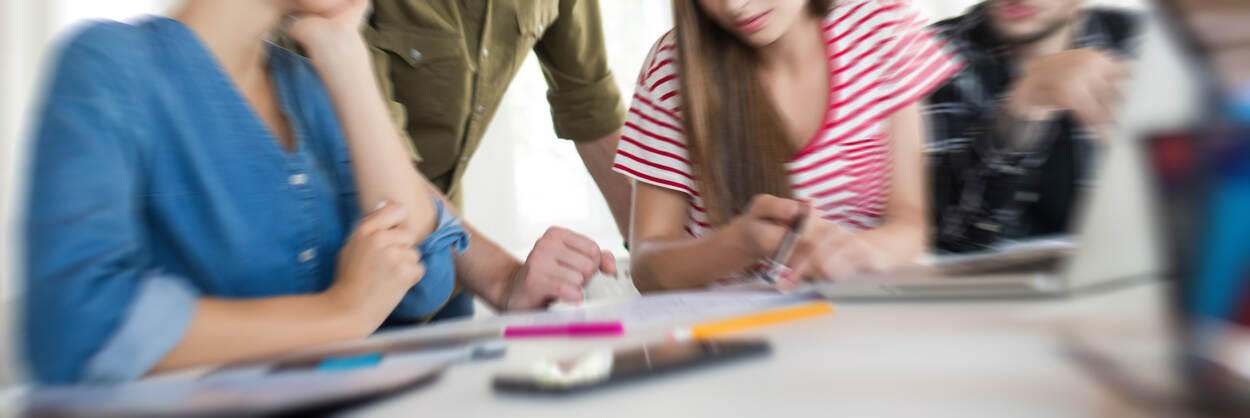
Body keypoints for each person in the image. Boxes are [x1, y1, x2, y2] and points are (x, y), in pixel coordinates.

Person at [21, 0, 610, 385]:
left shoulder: (309, 83)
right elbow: (82, 326)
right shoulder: (107, 66)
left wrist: (345, 51)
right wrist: (341, 312)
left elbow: (422, 280)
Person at [615, 0, 961, 291]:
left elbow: (910, 223)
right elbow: (647, 268)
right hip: (732, 347)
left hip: (860, 328)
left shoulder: (880, 26)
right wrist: (739, 243)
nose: (735, 6)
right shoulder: (671, 70)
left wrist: (858, 254)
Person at [333, 0, 633, 317]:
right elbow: (373, 156)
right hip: (341, 265)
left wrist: (654, 252)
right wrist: (503, 280)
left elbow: (590, 104)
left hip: (445, 258)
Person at [925, 0, 1139, 253]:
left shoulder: (1139, 39)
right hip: (993, 285)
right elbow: (950, 240)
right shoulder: (932, 55)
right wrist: (1021, 108)